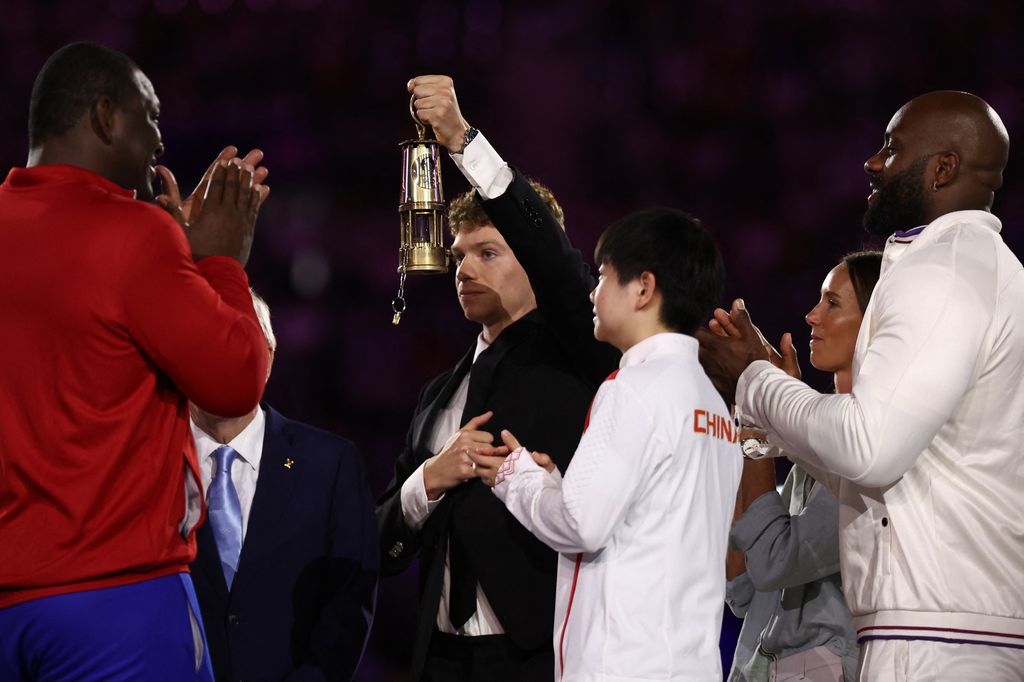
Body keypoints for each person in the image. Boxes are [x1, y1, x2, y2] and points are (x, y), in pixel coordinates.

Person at [697, 90, 1024, 679]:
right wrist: (776, 416)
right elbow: (887, 481)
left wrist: (755, 378)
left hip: (934, 638)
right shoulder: (970, 266)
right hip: (944, 628)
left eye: (892, 148)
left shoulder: (945, 268)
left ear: (943, 168)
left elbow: (867, 450)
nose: (873, 162)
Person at [0, 42, 270, 681]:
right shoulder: (134, 233)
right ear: (104, 116)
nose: (159, 140)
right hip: (114, 599)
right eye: (149, 116)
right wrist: (220, 263)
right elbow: (236, 380)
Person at [376, 75, 619, 681]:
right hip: (438, 658)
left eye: (488, 252)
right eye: (458, 255)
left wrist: (460, 138)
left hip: (536, 656)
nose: (465, 268)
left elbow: (558, 263)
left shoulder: (579, 354)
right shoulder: (439, 393)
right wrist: (427, 480)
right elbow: (380, 542)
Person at [473, 209, 743, 681]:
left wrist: (515, 476)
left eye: (602, 277)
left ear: (643, 287)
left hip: (623, 664)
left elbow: (581, 527)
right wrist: (556, 483)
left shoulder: (631, 388)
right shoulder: (713, 404)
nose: (592, 293)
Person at [190, 291, 378, 682]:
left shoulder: (332, 465)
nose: (223, 361)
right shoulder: (145, 465)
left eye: (241, 345)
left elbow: (348, 602)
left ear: (269, 359)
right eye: (205, 343)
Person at [725, 251, 882, 682]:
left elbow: (775, 562)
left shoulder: (872, 446)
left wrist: (762, 415)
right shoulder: (815, 447)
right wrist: (767, 424)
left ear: (877, 322)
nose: (811, 316)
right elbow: (743, 589)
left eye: (832, 303)